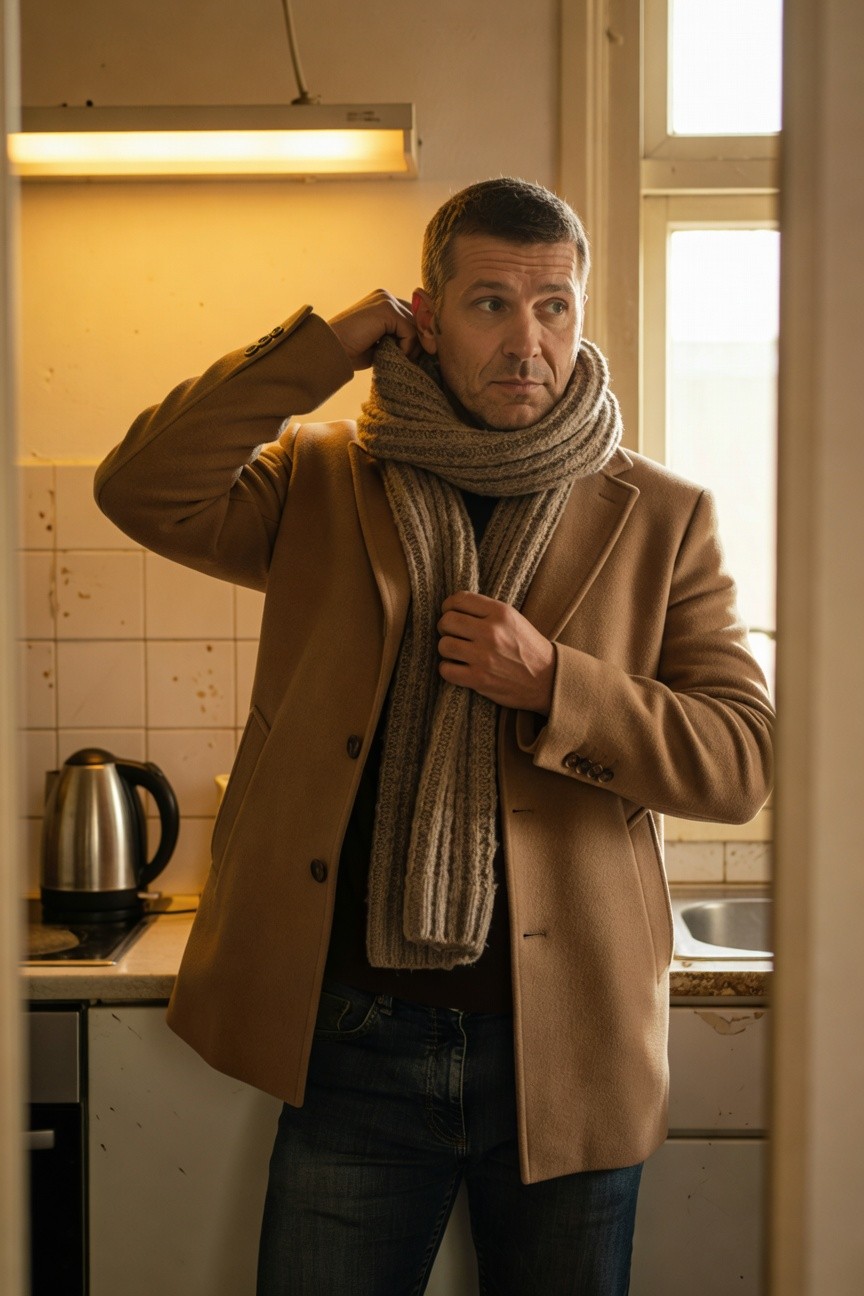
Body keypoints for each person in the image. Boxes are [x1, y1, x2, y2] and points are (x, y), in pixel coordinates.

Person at [94, 177, 774, 1295]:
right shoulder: (320, 478)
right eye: (490, 304)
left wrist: (558, 683)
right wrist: (327, 342)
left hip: (569, 1040)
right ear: (428, 313)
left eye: (554, 308)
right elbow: (141, 488)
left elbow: (740, 758)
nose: (527, 341)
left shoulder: (660, 513)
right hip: (353, 1036)